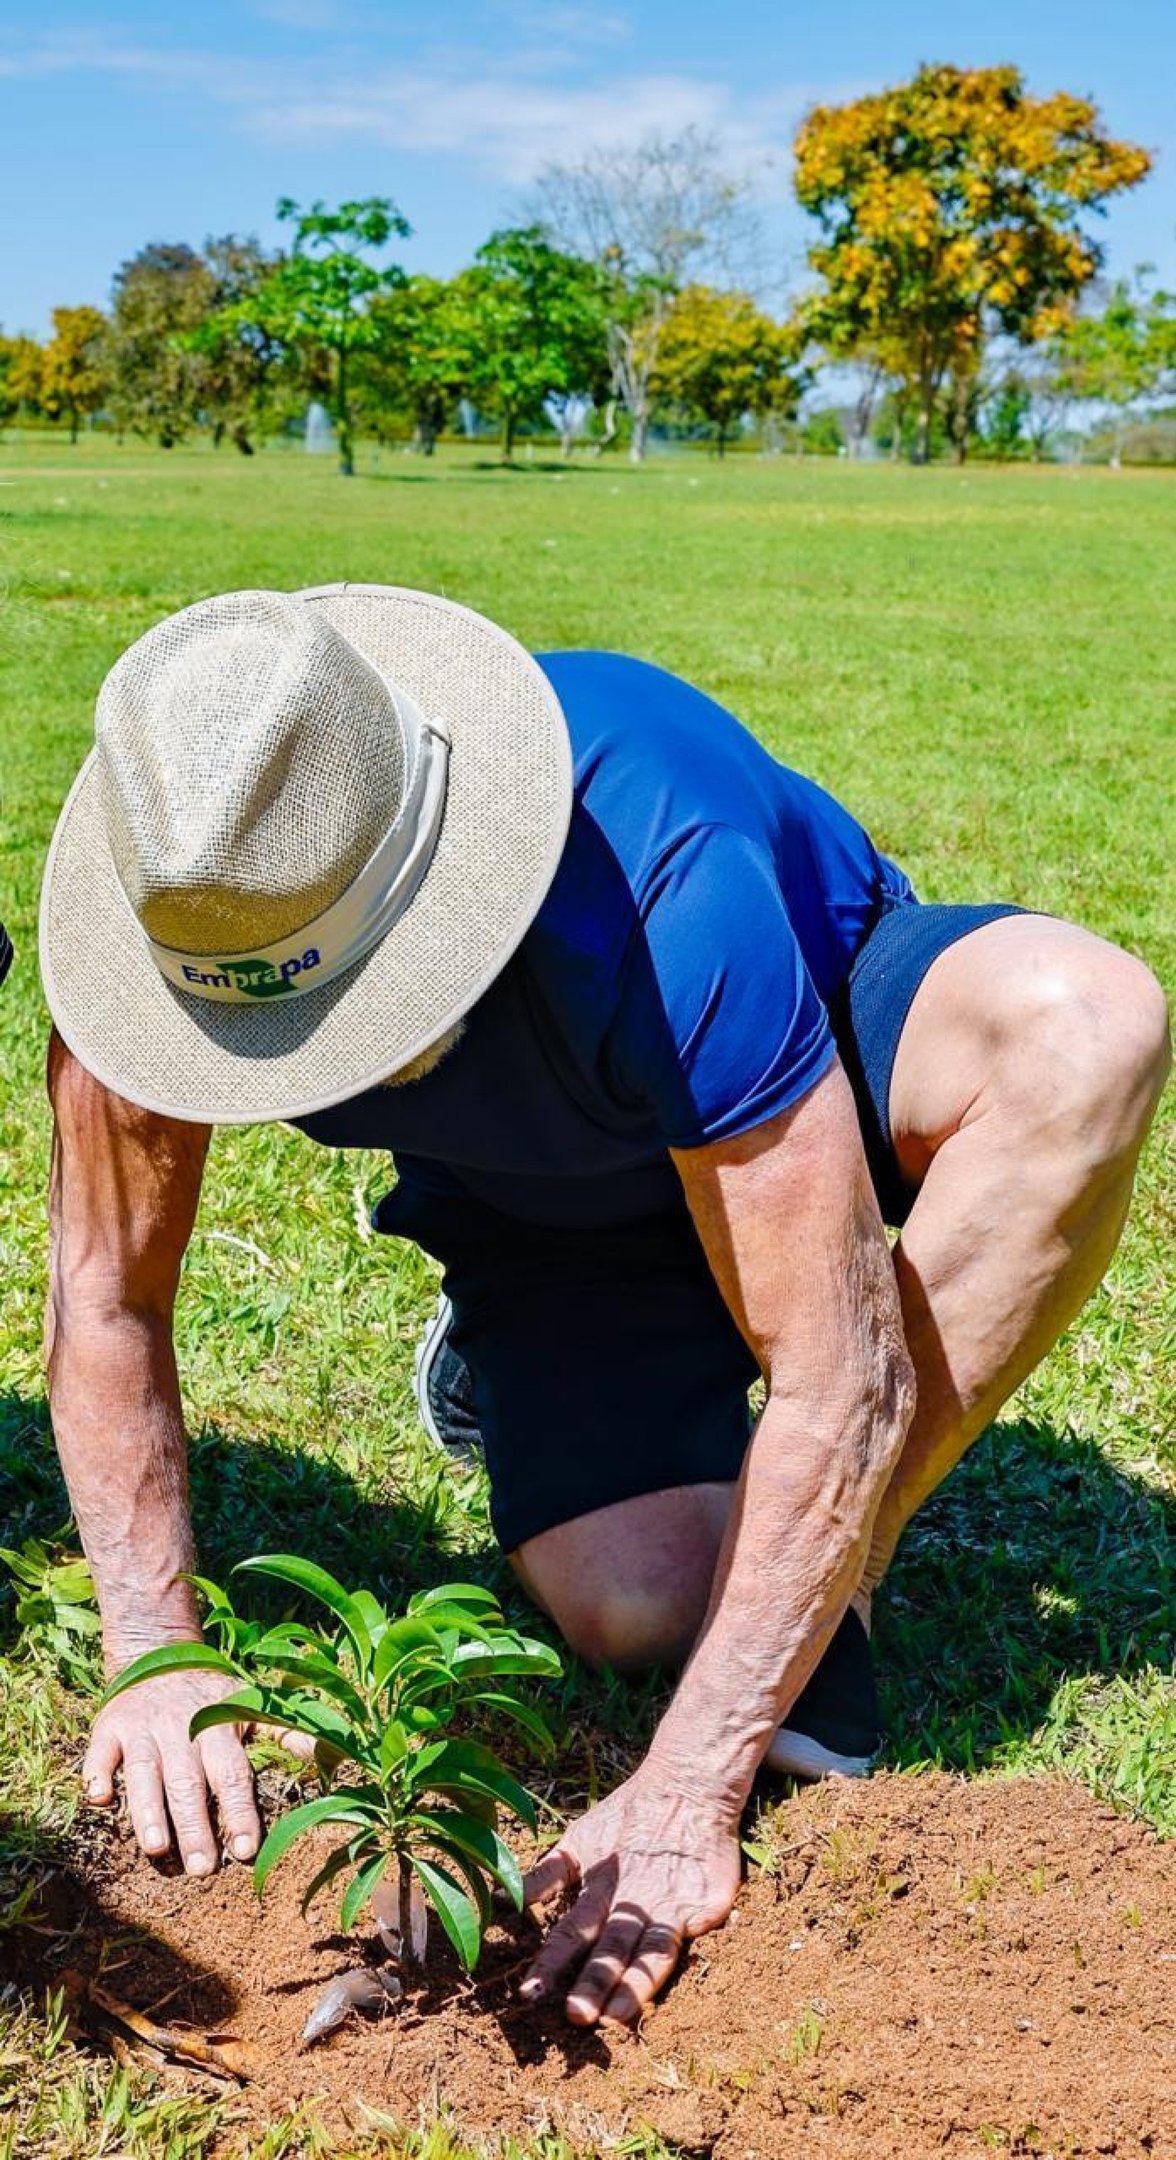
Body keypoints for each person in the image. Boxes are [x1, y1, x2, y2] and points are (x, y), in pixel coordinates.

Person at [40, 586, 1169, 2030]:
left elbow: (839, 1378)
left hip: (802, 1076)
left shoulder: (655, 858)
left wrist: (692, 1783)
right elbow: (108, 1295)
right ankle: (526, 1370)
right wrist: (152, 1660)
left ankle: (840, 1590)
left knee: (1084, 1027)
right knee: (647, 1608)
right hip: (543, 1212)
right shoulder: (178, 896)